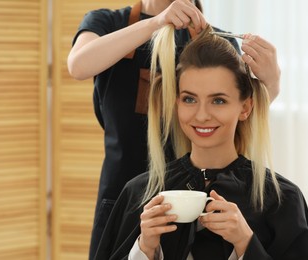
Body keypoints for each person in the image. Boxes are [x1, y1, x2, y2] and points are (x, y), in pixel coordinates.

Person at [67, 0, 281, 258]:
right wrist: (156, 23)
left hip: (195, 200)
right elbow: (78, 65)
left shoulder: (214, 41)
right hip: (124, 198)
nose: (201, 113)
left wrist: (272, 83)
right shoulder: (107, 23)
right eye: (189, 99)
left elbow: (240, 119)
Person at [92, 25, 308, 260]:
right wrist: (145, 248)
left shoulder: (283, 200)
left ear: (245, 107)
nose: (201, 116)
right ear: (176, 102)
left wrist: (245, 243)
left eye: (218, 101)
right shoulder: (138, 194)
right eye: (189, 99)